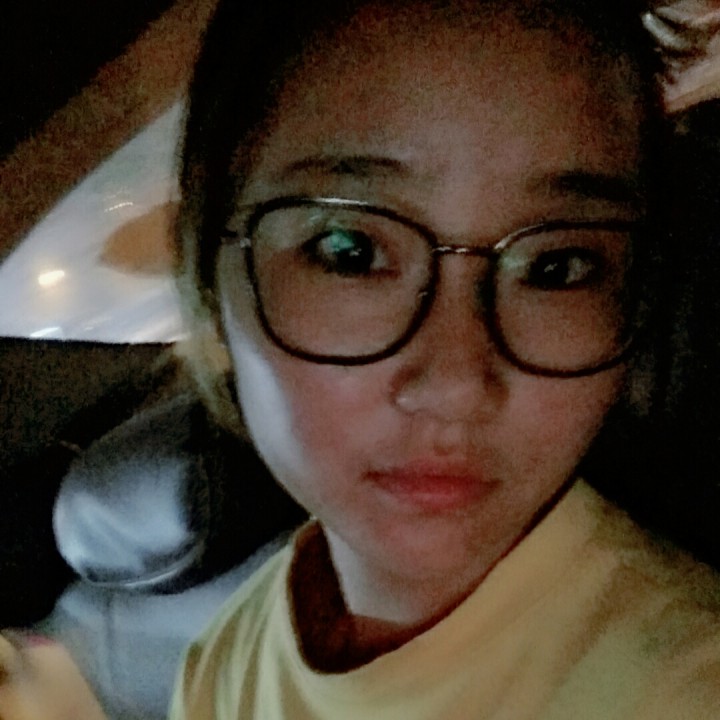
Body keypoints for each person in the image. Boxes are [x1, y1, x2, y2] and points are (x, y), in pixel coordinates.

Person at [169, 0, 720, 717]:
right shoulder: (219, 664)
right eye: (350, 251)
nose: (459, 386)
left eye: (555, 267)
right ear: (210, 283)